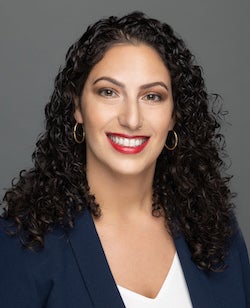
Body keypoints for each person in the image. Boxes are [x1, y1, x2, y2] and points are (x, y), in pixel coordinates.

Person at [0, 11, 249, 308]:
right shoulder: (22, 244)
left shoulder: (215, 229)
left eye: (152, 96)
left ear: (174, 116)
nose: (131, 119)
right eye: (109, 92)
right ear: (77, 107)